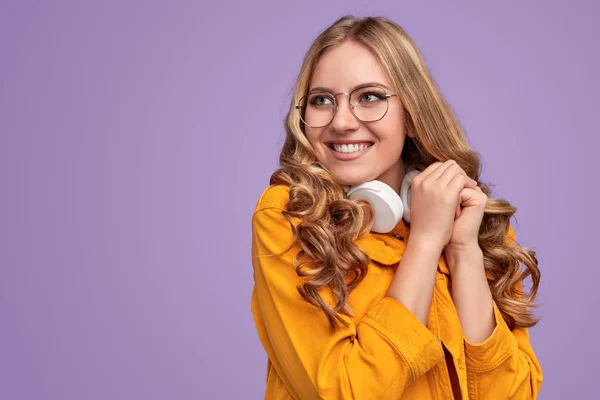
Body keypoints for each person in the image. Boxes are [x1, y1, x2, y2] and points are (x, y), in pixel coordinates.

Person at [250, 15, 543, 400]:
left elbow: (511, 395)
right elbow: (344, 392)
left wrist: (461, 250)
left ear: (411, 113)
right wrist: (424, 242)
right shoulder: (290, 217)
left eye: (369, 97)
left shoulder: (473, 222)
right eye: (322, 100)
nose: (341, 122)